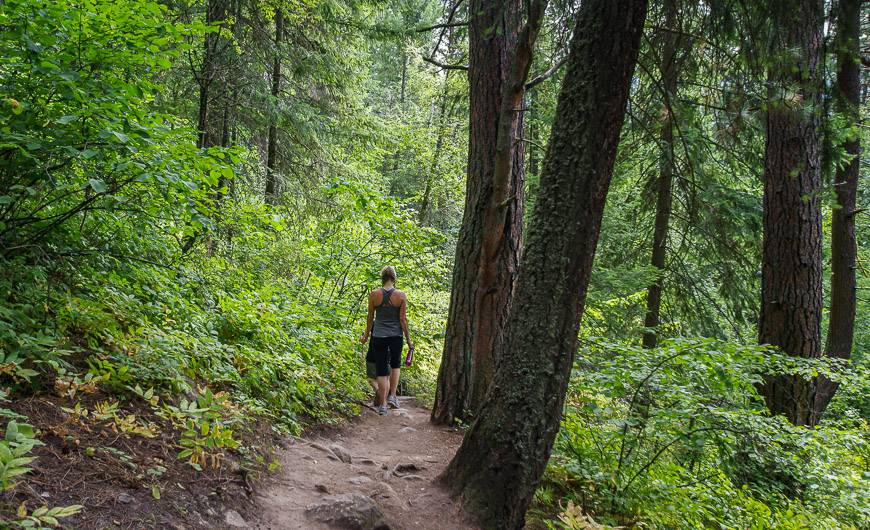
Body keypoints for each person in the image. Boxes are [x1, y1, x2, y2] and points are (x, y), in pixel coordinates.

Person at [360, 266, 413, 415]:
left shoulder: (374, 294)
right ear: (394, 278)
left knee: (382, 370)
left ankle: (382, 405)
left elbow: (370, 318)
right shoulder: (401, 295)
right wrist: (409, 340)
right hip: (396, 336)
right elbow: (403, 320)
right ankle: (393, 396)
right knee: (395, 365)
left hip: (379, 336)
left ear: (382, 278)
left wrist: (365, 336)